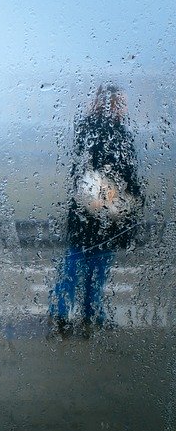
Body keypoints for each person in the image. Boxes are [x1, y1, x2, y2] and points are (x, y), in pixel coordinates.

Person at [49, 84, 143, 332]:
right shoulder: (104, 132)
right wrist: (128, 196)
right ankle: (77, 314)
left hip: (94, 209)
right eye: (120, 102)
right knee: (86, 264)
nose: (124, 107)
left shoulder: (98, 130)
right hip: (98, 210)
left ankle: (75, 313)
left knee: (86, 263)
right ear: (109, 104)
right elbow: (116, 171)